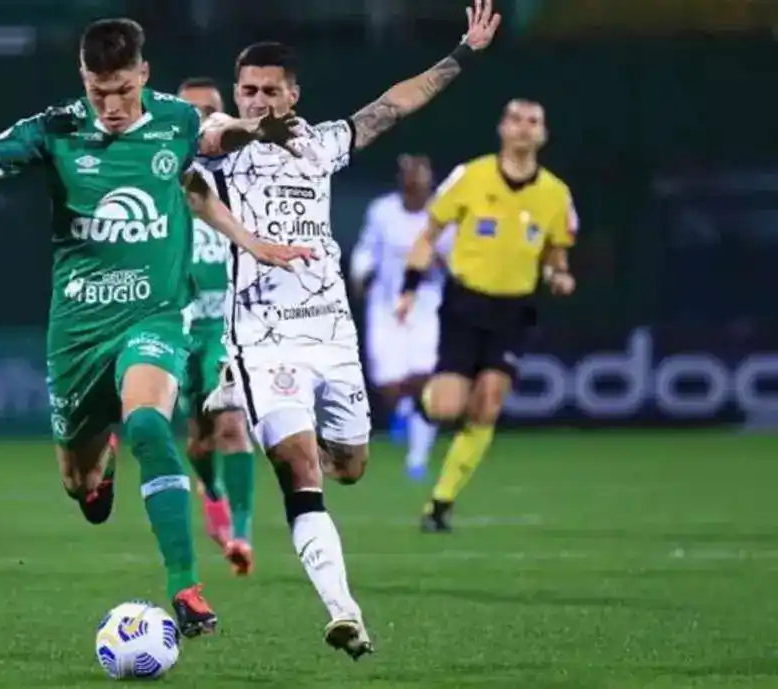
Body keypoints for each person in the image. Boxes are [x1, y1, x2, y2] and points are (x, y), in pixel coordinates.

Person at [0, 18, 310, 636]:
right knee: (77, 485)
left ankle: (185, 588)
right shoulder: (53, 129)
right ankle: (96, 469)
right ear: (83, 78)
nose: (110, 107)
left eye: (123, 91)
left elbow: (213, 145)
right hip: (78, 333)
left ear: (144, 74)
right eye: (98, 92)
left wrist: (256, 138)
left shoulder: (174, 120)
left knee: (149, 424)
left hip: (153, 316)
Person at [196, 0, 501, 658]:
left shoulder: (323, 143)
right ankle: (345, 612)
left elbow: (394, 104)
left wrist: (462, 53)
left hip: (332, 336)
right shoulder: (223, 144)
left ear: (293, 94)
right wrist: (246, 126)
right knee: (302, 469)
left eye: (269, 91)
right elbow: (213, 138)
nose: (255, 100)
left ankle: (260, 410)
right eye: (247, 89)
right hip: (265, 337)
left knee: (351, 466)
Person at [396, 98, 578, 533]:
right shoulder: (471, 176)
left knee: (488, 403)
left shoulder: (556, 194)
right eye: (515, 119)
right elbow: (429, 234)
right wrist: (409, 289)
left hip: (514, 309)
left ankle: (440, 504)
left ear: (543, 134)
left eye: (533, 121)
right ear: (502, 128)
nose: (523, 127)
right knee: (448, 407)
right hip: (465, 303)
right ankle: (422, 406)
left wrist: (558, 275)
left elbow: (556, 253)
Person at [175, 76, 258, 576]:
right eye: (191, 112)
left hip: (226, 329)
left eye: (209, 111)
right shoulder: (161, 174)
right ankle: (211, 490)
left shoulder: (245, 172)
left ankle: (241, 535)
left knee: (231, 425)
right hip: (178, 328)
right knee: (200, 440)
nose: (201, 120)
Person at [348, 154, 442, 480]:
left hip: (427, 306)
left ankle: (418, 456)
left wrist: (441, 261)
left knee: (424, 378)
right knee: (389, 384)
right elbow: (366, 248)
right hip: (385, 306)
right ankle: (402, 410)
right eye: (408, 173)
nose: (413, 180)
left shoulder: (442, 212)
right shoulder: (382, 211)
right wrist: (360, 273)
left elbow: (457, 254)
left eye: (419, 173)